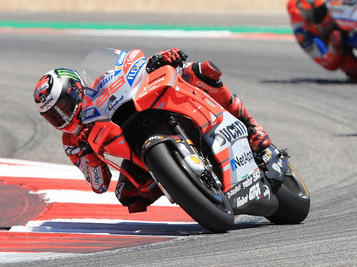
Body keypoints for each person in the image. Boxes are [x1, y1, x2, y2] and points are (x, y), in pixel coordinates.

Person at [33, 48, 272, 213]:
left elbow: (132, 66)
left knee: (200, 71)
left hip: (146, 107)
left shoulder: (100, 84)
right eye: (54, 116)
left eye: (63, 107)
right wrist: (88, 153)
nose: (62, 118)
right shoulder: (72, 141)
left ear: (76, 90)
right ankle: (187, 186)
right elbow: (99, 185)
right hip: (135, 149)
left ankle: (250, 126)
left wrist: (159, 59)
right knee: (129, 197)